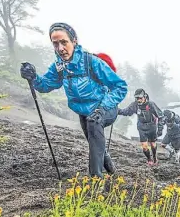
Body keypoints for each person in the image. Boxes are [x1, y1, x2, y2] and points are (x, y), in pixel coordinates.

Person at [20, 22, 128, 179]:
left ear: (74, 41)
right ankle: (113, 172)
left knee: (94, 125)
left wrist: (102, 108)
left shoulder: (92, 62)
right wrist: (33, 77)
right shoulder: (59, 67)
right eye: (55, 44)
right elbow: (46, 85)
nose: (60, 48)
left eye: (64, 42)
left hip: (106, 108)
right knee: (94, 142)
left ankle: (95, 178)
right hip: (84, 112)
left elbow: (120, 87)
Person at [117, 89, 163, 165]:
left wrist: (160, 129)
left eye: (140, 98)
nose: (139, 100)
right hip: (141, 126)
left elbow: (160, 116)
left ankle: (155, 157)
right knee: (144, 146)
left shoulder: (151, 104)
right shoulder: (134, 105)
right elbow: (126, 112)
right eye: (137, 98)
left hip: (152, 126)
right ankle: (149, 159)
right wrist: (117, 110)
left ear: (144, 97)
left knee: (153, 144)